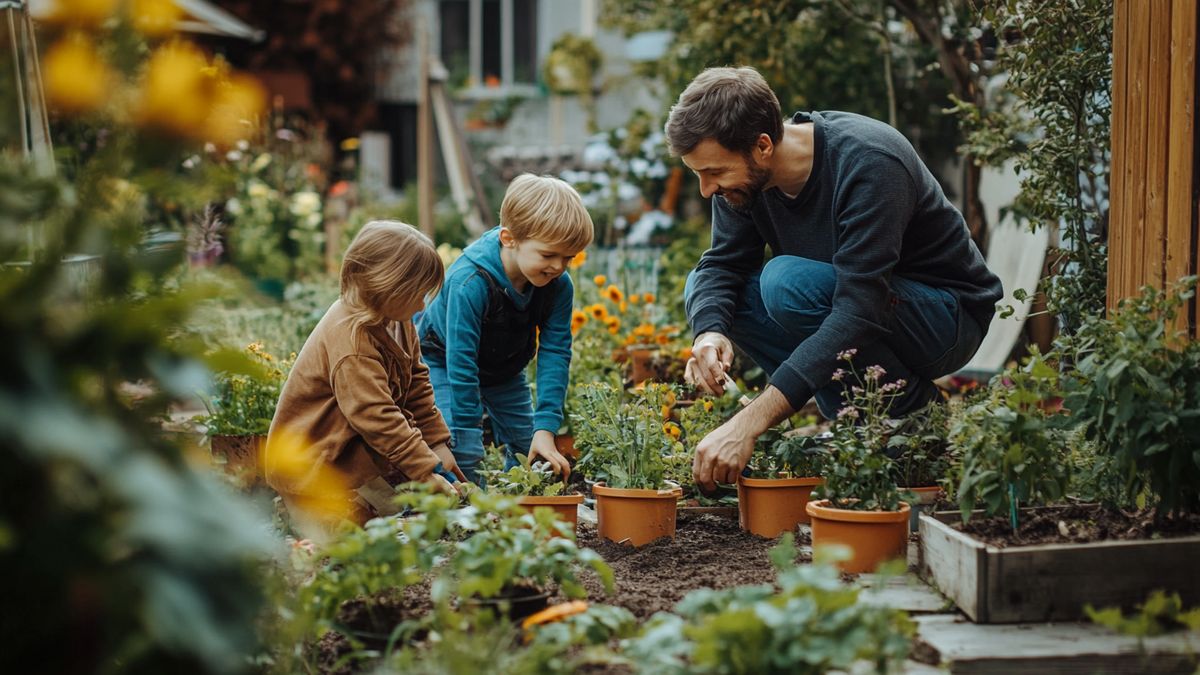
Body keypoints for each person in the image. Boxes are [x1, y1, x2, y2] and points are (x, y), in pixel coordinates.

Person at [668, 66, 1003, 494]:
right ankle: (860, 427)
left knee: (785, 283)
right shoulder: (742, 181)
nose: (704, 189)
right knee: (708, 290)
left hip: (946, 317)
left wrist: (748, 424)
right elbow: (722, 266)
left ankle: (916, 420)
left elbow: (860, 310)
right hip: (860, 309)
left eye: (712, 171)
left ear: (763, 146)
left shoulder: (869, 161)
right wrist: (709, 335)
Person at [264, 221, 464, 533]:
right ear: (386, 287)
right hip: (314, 467)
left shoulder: (398, 319)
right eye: (417, 294)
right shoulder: (352, 339)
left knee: (423, 511)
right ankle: (300, 511)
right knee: (362, 537)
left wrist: (436, 444)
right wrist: (425, 470)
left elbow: (417, 384)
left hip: (353, 452)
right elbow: (377, 417)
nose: (422, 304)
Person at [417, 174, 594, 484]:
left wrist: (546, 429)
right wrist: (468, 431)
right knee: (459, 454)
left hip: (504, 369)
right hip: (444, 361)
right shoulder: (469, 282)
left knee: (532, 455)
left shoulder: (557, 285)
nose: (559, 267)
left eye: (568, 258)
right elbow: (462, 362)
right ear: (509, 239)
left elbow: (555, 351)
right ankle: (452, 515)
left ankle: (513, 511)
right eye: (548, 255)